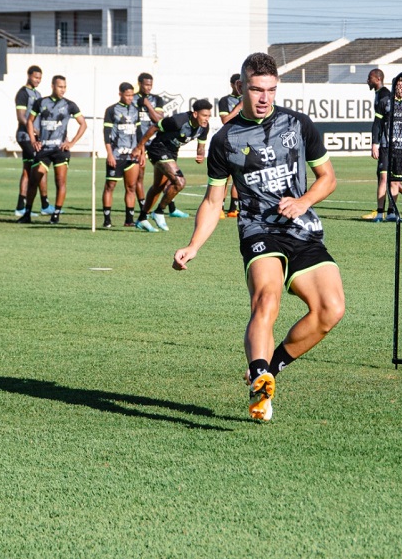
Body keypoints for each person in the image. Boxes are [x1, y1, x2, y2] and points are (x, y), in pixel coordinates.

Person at [173, 52, 345, 422]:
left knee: (331, 310)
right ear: (241, 88)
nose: (264, 97)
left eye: (271, 89)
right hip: (258, 230)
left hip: (302, 228)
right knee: (267, 298)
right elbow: (213, 200)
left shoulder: (298, 124)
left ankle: (267, 372)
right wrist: (193, 245)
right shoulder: (225, 139)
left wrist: (303, 201)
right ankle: (259, 371)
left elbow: (327, 178)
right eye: (256, 89)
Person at [131, 99, 212, 232]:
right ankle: (159, 212)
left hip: (172, 153)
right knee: (180, 182)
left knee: (158, 187)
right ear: (195, 114)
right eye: (204, 115)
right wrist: (140, 147)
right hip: (158, 149)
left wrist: (201, 154)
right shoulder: (178, 121)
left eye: (208, 116)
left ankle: (142, 219)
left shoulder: (204, 127)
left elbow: (201, 146)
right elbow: (154, 127)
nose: (206, 119)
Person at [20, 75, 88, 224]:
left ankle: (56, 214)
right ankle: (27, 213)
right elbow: (30, 121)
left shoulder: (70, 105)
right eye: (60, 86)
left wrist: (71, 143)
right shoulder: (41, 102)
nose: (62, 89)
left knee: (60, 182)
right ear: (52, 86)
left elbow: (83, 124)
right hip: (44, 148)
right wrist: (33, 140)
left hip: (60, 150)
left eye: (64, 87)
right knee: (33, 180)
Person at [133, 72, 186, 220]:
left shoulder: (156, 99)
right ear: (140, 84)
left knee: (169, 178)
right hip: (140, 142)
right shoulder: (133, 99)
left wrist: (148, 105)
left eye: (151, 85)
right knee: (140, 176)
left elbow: (159, 120)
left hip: (157, 144)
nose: (149, 87)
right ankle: (143, 206)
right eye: (146, 84)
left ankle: (171, 208)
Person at [14, 65, 53, 218]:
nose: (38, 80)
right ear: (29, 76)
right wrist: (33, 130)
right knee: (37, 168)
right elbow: (21, 116)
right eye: (36, 77)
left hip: (35, 138)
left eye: (40, 78)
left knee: (30, 169)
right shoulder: (23, 93)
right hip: (26, 137)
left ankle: (29, 205)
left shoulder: (38, 94)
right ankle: (34, 205)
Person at [101, 82, 142, 228]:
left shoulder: (136, 110)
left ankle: (129, 220)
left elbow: (139, 133)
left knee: (131, 187)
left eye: (132, 95)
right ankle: (107, 219)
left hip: (132, 156)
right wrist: (109, 154)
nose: (130, 98)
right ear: (120, 94)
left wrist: (141, 151)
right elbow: (106, 134)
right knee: (110, 186)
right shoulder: (111, 110)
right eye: (127, 95)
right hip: (117, 155)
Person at [360, 68, 393, 222]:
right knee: (384, 176)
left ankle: (383, 212)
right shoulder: (379, 94)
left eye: (370, 77)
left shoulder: (385, 95)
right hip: (385, 142)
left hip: (388, 144)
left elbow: (378, 122)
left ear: (378, 79)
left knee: (385, 177)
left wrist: (375, 143)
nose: (368, 80)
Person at [217, 72, 242, 217]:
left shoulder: (249, 99)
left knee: (238, 176)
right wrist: (239, 107)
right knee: (224, 177)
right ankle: (219, 208)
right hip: (228, 140)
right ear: (232, 85)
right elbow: (225, 120)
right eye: (237, 84)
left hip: (243, 141)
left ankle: (233, 208)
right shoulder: (225, 100)